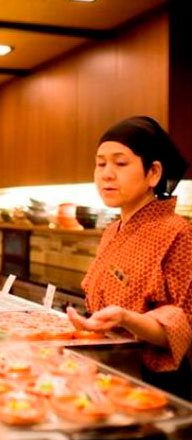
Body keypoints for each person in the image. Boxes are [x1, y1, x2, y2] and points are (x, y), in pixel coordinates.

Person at [67, 116, 192, 399]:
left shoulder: (177, 232)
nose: (106, 174)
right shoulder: (112, 231)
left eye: (120, 163)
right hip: (110, 369)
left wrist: (126, 318)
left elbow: (180, 326)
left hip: (154, 383)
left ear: (153, 173)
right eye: (101, 164)